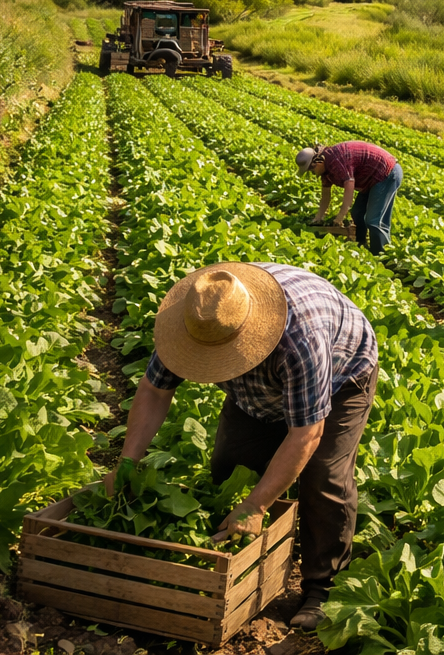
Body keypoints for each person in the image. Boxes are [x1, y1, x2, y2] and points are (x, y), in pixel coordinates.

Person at [111, 263, 377, 631]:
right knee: (230, 467)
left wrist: (256, 505)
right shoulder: (192, 319)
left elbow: (306, 434)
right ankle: (237, 562)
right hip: (253, 395)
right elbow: (155, 391)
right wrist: (127, 462)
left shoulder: (299, 339)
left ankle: (323, 587)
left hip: (342, 375)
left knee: (323, 475)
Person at [296, 142, 403, 255]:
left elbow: (349, 191)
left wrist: (340, 217)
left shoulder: (336, 160)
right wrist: (318, 218)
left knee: (374, 220)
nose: (312, 174)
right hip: (370, 179)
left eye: (311, 170)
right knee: (357, 213)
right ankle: (361, 244)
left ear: (317, 162)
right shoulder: (325, 172)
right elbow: (325, 197)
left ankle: (381, 255)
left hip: (387, 172)